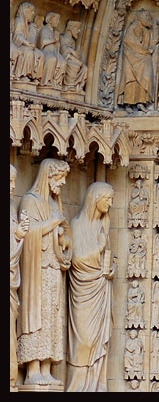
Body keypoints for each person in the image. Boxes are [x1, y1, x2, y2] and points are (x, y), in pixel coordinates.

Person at [17, 158, 71, 386]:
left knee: (52, 317)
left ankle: (47, 368)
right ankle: (32, 370)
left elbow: (63, 232)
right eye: (60, 179)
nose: (63, 183)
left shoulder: (54, 203)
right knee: (36, 316)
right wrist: (52, 224)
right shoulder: (30, 201)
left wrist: (64, 239)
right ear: (48, 176)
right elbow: (27, 233)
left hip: (53, 269)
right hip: (36, 270)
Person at [66, 183, 115, 391]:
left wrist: (111, 268)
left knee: (98, 342)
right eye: (107, 199)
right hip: (83, 290)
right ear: (96, 199)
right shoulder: (77, 225)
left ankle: (96, 385)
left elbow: (108, 257)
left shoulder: (104, 225)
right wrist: (100, 247)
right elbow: (75, 259)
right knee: (83, 342)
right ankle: (77, 386)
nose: (111, 204)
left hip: (101, 289)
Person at [11, 164, 30, 391]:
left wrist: (19, 235)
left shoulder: (12, 206)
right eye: (8, 182)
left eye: (14, 182)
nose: (13, 187)